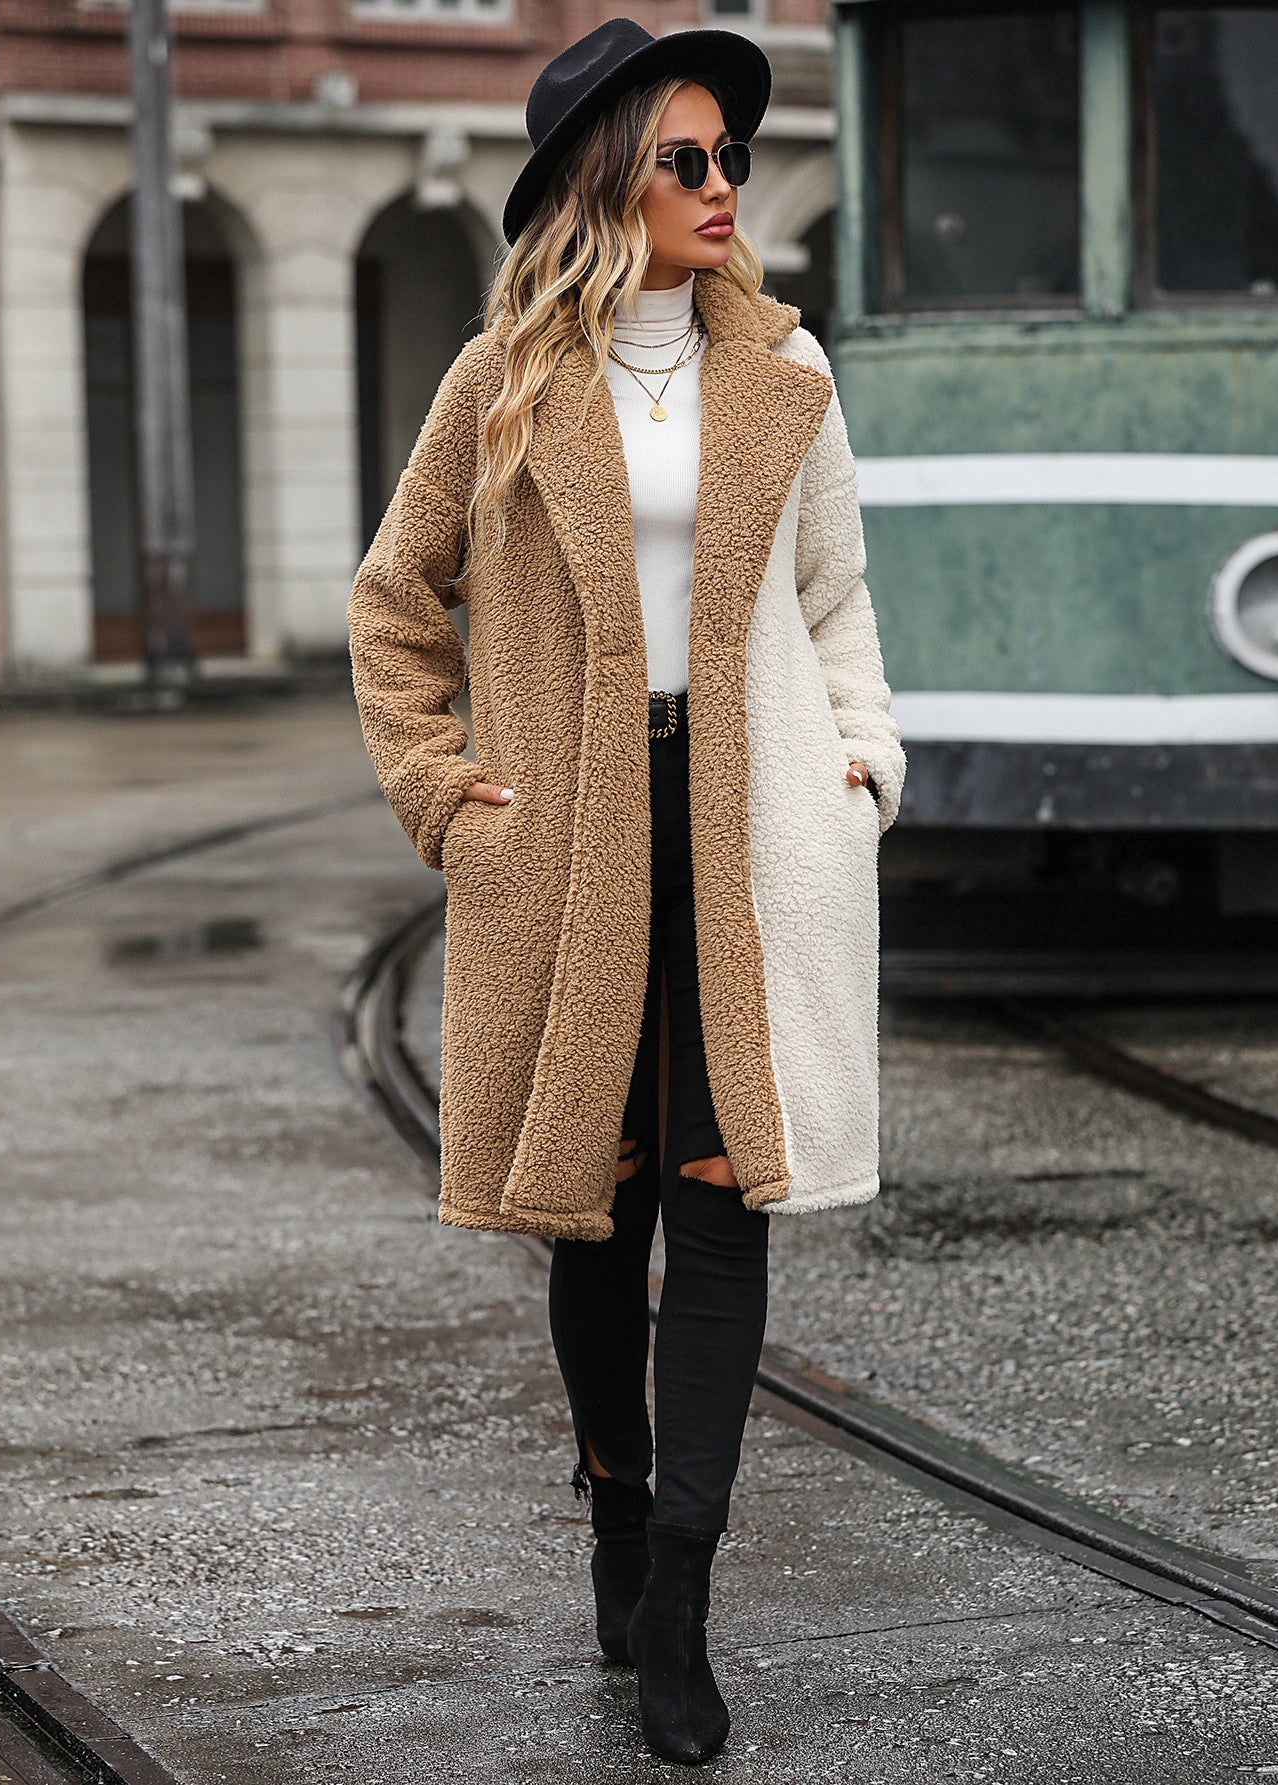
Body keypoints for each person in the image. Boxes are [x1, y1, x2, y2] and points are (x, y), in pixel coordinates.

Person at [347, 16, 906, 1766]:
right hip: (567, 837)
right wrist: (447, 798)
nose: (724, 185)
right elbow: (390, 603)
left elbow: (838, 602)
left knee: (724, 1187)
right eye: (689, 160)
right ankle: (612, 1490)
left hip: (748, 833)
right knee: (597, 1202)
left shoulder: (790, 377)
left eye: (730, 158)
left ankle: (680, 1595)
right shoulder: (500, 381)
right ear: (611, 181)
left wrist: (867, 767)